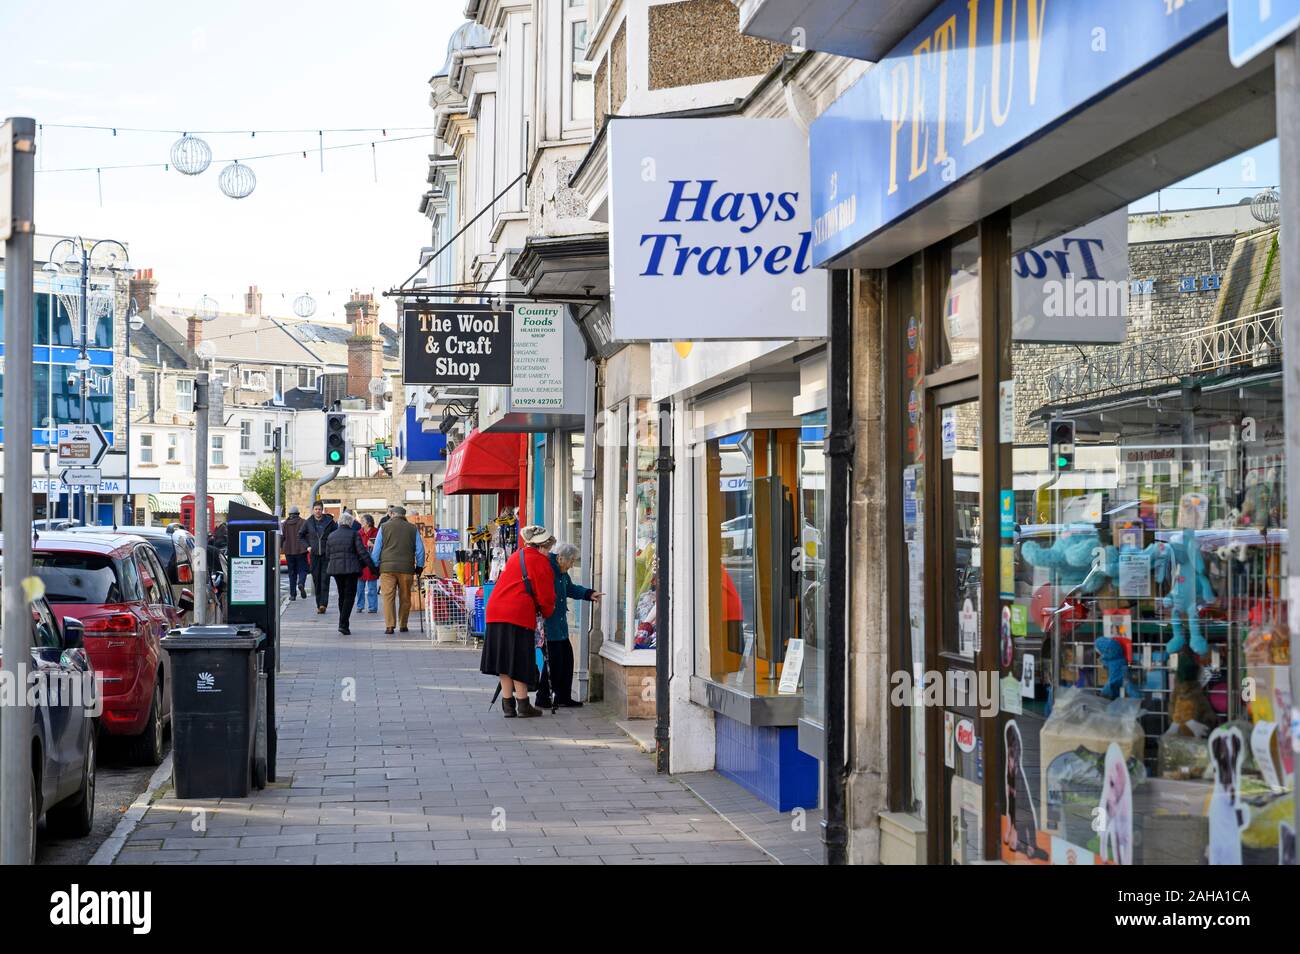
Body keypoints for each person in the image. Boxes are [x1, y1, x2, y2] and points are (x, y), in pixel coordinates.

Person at [481, 525, 556, 718]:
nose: (549, 553)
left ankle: (508, 706)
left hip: (495, 609)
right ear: (541, 546)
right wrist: (548, 612)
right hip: (517, 613)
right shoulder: (540, 562)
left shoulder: (518, 555)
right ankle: (523, 705)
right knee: (518, 659)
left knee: (504, 660)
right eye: (548, 548)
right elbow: (546, 596)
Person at [535, 540, 601, 709]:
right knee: (554, 663)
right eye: (571, 561)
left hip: (560, 626)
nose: (572, 565)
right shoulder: (547, 570)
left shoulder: (562, 573)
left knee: (566, 660)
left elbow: (570, 589)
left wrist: (588, 593)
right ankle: (543, 698)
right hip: (548, 625)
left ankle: (562, 697)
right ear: (560, 559)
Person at [369, 505, 425, 634]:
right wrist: (419, 567)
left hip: (387, 569)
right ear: (404, 515)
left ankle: (390, 626)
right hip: (406, 568)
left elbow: (376, 550)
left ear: (392, 514)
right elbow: (420, 550)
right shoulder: (412, 529)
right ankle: (403, 624)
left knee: (388, 597)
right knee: (405, 597)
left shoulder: (384, 527)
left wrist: (375, 566)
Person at [325, 511, 375, 635]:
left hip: (336, 570)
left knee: (342, 595)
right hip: (351, 570)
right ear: (351, 523)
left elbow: (327, 555)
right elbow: (362, 553)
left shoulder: (331, 536)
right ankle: (343, 623)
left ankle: (344, 623)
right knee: (349, 596)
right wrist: (372, 567)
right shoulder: (354, 534)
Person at [299, 501, 338, 614]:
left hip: (326, 554)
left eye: (319, 509)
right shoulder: (308, 522)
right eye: (316, 509)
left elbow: (336, 534)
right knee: (317, 580)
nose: (317, 511)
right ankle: (318, 604)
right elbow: (300, 535)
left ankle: (323, 604)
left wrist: (332, 546)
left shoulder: (329, 521)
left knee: (325, 579)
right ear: (313, 510)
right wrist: (308, 547)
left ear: (322, 510)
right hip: (314, 554)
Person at [281, 506, 309, 601]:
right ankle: (301, 583)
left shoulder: (284, 524)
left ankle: (293, 595)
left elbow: (282, 537)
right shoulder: (303, 522)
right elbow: (307, 535)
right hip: (301, 550)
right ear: (298, 514)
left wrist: (281, 548)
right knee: (303, 570)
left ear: (289, 515)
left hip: (288, 551)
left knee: (291, 573)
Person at [358, 513, 380, 613]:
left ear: (368, 523)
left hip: (372, 563)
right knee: (359, 588)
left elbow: (381, 546)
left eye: (363, 521)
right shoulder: (359, 533)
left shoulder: (377, 532)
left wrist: (373, 545)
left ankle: (372, 607)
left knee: (372, 588)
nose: (361, 523)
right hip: (361, 563)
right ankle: (360, 606)